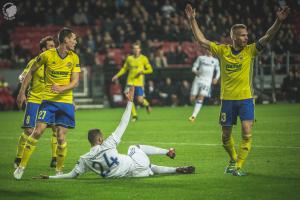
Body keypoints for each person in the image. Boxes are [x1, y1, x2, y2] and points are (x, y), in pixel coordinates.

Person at [185, 4, 290, 176]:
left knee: (247, 132)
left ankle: (239, 166)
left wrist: (279, 21)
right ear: (233, 37)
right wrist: (192, 20)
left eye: (247, 35)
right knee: (225, 137)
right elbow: (201, 41)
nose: (246, 38)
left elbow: (267, 37)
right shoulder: (222, 50)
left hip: (246, 98)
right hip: (227, 100)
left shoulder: (250, 51)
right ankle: (233, 159)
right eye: (242, 35)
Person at [33, 87, 195, 180]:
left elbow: (71, 175)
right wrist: (130, 102)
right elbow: (123, 123)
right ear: (100, 139)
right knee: (134, 147)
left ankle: (176, 169)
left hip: (132, 175)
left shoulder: (84, 159)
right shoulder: (108, 143)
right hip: (135, 166)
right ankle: (167, 152)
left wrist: (51, 177)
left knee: (150, 167)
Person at [14, 27, 81, 179]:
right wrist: (21, 92)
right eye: (73, 39)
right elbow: (30, 71)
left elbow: (76, 82)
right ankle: (21, 166)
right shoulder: (46, 56)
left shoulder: (74, 58)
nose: (75, 42)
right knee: (37, 131)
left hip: (65, 102)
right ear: (65, 40)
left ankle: (59, 170)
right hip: (48, 101)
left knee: (61, 137)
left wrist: (61, 88)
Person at [14, 36, 58, 169]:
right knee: (29, 131)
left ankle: (55, 158)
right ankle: (19, 157)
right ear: (43, 49)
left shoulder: (56, 62)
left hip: (49, 100)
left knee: (56, 128)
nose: (54, 48)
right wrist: (22, 91)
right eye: (50, 46)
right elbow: (23, 75)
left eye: (54, 45)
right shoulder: (34, 62)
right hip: (34, 99)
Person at [112, 42, 153, 121]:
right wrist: (117, 75)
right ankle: (134, 115)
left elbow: (150, 70)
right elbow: (124, 69)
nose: (136, 50)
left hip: (139, 83)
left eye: (137, 48)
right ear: (132, 50)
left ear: (140, 49)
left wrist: (142, 72)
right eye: (134, 48)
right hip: (130, 81)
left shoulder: (144, 58)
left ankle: (147, 104)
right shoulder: (129, 59)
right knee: (129, 99)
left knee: (140, 100)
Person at [189, 49, 220, 122]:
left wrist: (216, 78)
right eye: (208, 50)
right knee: (192, 99)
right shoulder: (201, 58)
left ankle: (193, 116)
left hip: (207, 81)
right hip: (198, 79)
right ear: (206, 50)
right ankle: (196, 105)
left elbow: (218, 70)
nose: (209, 51)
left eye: (211, 50)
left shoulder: (215, 60)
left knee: (201, 96)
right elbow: (194, 67)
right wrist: (195, 71)